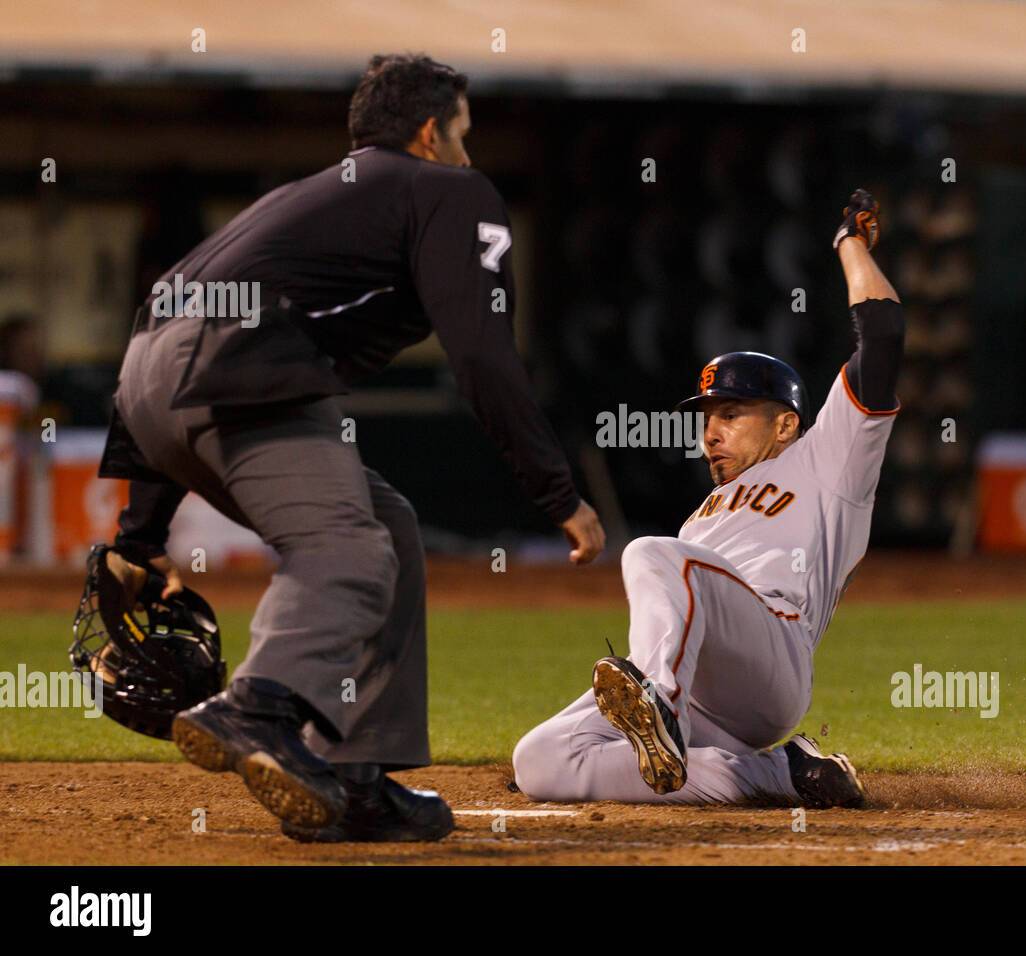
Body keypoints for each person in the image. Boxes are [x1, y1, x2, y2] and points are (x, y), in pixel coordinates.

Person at [98, 53, 605, 842]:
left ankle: (358, 776)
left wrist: (139, 535)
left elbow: (170, 320)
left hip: (146, 382)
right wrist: (557, 493)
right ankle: (257, 707)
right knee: (350, 552)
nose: (471, 153)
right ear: (431, 133)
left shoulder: (300, 197)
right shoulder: (452, 189)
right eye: (464, 133)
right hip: (240, 367)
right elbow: (481, 354)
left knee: (389, 530)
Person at [512, 189, 901, 807]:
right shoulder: (701, 517)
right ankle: (784, 776)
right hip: (708, 692)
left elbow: (882, 336)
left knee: (650, 554)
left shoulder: (830, 459)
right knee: (539, 761)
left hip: (773, 658)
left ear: (785, 424)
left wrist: (848, 242)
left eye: (732, 412)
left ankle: (658, 704)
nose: (710, 431)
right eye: (706, 417)